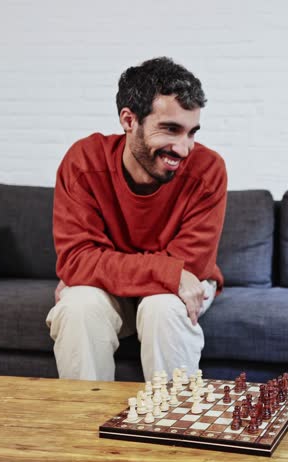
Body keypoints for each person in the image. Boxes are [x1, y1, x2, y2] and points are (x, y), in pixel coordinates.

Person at [45, 57, 227, 382]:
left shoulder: (208, 170)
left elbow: (192, 267)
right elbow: (76, 260)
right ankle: (84, 425)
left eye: (191, 133)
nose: (184, 149)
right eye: (171, 129)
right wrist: (167, 271)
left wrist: (98, 266)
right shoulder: (83, 161)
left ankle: (172, 426)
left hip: (158, 290)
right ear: (129, 120)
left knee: (163, 309)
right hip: (116, 290)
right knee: (78, 308)